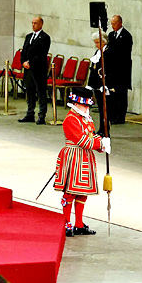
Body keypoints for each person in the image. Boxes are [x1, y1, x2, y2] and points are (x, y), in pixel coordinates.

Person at [54, 88, 110, 238]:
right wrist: (100, 143)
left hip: (85, 157)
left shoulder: (86, 118)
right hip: (74, 156)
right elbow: (82, 140)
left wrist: (101, 145)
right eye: (84, 105)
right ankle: (66, 222)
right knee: (70, 192)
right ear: (75, 104)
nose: (87, 108)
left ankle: (79, 223)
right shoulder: (71, 119)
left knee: (82, 192)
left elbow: (91, 136)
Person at [18, 16, 52, 124]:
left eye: (36, 23)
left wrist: (30, 63)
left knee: (41, 92)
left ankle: (42, 115)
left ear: (41, 24)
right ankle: (30, 113)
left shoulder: (45, 37)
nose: (33, 25)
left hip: (38, 69)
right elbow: (23, 52)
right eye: (32, 23)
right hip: (28, 70)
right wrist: (23, 62)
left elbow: (42, 54)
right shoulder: (28, 36)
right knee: (30, 91)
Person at [103, 15, 133, 124]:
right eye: (111, 24)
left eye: (114, 24)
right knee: (112, 94)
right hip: (112, 71)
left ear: (120, 23)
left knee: (121, 94)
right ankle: (113, 115)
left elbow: (123, 53)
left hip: (122, 70)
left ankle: (121, 117)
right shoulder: (111, 35)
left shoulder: (126, 36)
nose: (112, 26)